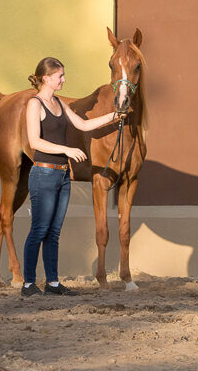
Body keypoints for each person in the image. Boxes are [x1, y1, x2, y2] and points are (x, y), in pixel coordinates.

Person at [22, 57, 123, 297]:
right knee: (39, 229)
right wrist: (67, 150)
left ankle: (53, 283)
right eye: (60, 76)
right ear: (46, 78)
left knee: (54, 231)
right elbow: (35, 141)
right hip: (44, 173)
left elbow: (83, 125)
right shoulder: (34, 105)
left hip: (62, 175)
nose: (63, 80)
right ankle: (28, 283)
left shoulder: (58, 103)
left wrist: (115, 116)